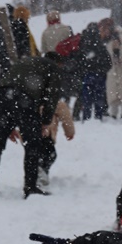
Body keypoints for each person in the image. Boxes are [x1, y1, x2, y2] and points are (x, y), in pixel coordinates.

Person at [0, 55, 62, 200]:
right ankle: (30, 187)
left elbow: (10, 82)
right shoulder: (53, 69)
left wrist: (8, 124)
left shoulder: (27, 61)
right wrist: (45, 122)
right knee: (32, 146)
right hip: (25, 99)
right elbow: (51, 98)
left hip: (2, 94)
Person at [37, 56, 75, 190]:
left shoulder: (35, 78)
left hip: (30, 126)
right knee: (50, 154)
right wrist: (70, 131)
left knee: (35, 154)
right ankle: (41, 174)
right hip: (46, 129)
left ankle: (37, 174)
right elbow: (63, 112)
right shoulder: (52, 84)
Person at [79, 19, 113, 122]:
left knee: (87, 98)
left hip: (88, 73)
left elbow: (80, 59)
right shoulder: (99, 44)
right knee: (99, 96)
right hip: (100, 74)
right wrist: (103, 70)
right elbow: (108, 61)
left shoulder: (84, 42)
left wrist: (84, 68)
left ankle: (86, 116)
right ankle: (98, 117)